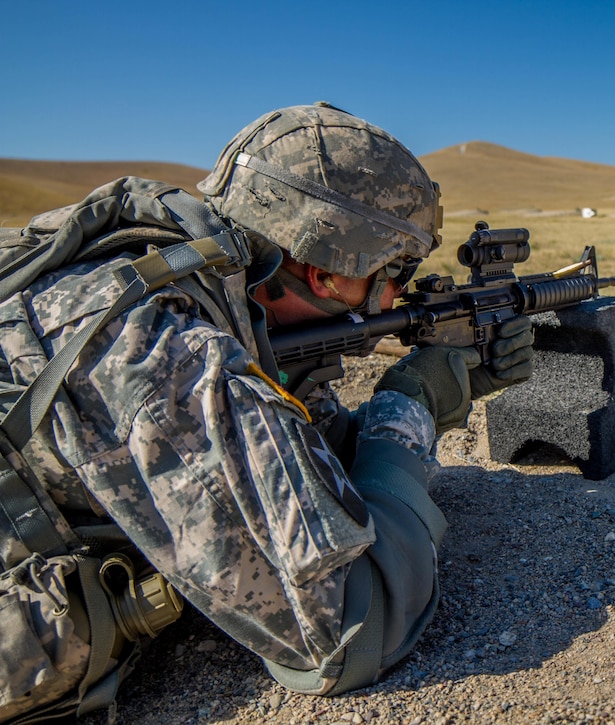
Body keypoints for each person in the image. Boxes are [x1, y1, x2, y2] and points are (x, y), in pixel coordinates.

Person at [0, 102, 533, 720]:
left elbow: (306, 467)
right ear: (327, 271)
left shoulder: (200, 285)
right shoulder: (165, 354)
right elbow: (350, 628)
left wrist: (448, 389)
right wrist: (409, 408)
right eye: (396, 270)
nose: (398, 295)